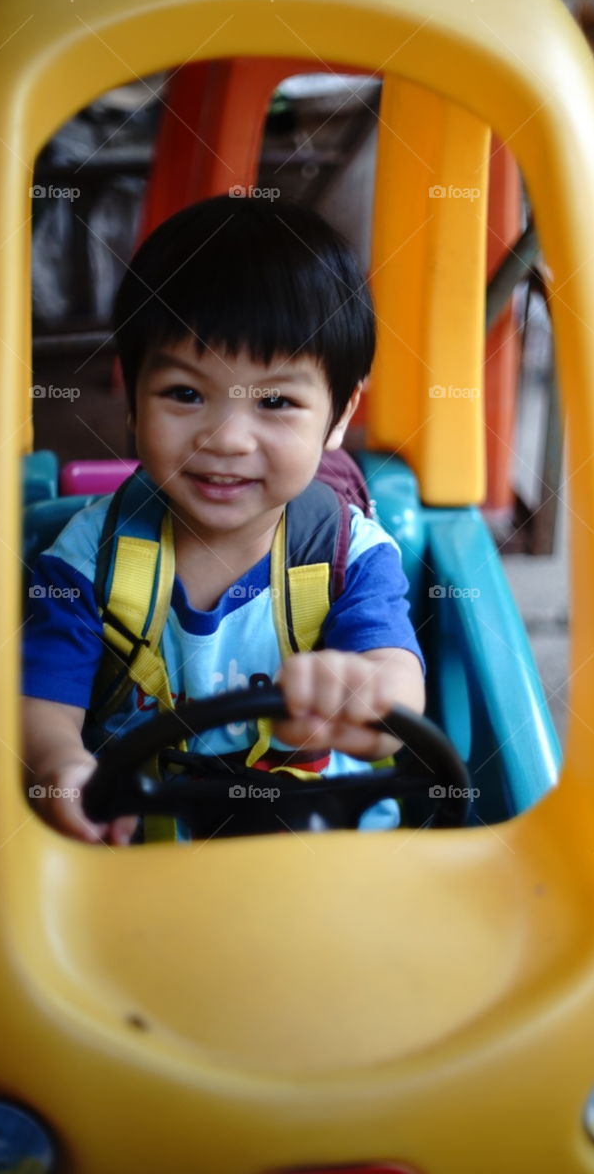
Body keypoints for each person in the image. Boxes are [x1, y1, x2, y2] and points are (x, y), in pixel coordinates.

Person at [21, 196, 425, 844]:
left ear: (340, 415)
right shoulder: (86, 560)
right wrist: (60, 764)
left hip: (316, 853)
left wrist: (364, 697)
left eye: (275, 401)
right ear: (131, 397)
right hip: (144, 853)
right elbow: (44, 700)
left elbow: (395, 682)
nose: (229, 438)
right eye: (185, 394)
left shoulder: (350, 554)